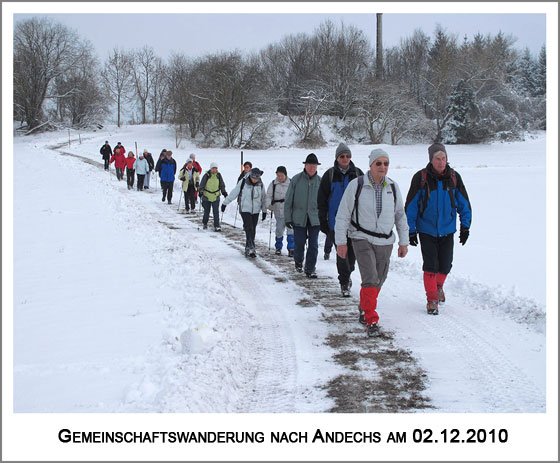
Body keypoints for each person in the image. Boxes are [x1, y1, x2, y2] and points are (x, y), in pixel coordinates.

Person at [334, 149, 409, 337]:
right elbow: (343, 215)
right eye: (379, 163)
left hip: (385, 240)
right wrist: (341, 242)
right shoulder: (357, 185)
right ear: (371, 165)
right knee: (370, 277)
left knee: (379, 280)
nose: (382, 167)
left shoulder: (393, 187)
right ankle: (371, 319)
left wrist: (404, 241)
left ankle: (364, 306)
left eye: (386, 163)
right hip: (361, 237)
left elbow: (400, 215)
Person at [405, 143, 472, 315]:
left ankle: (439, 286)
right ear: (431, 160)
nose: (441, 162)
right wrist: (410, 230)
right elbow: (411, 206)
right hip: (426, 229)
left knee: (445, 265)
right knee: (430, 266)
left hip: (447, 229)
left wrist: (465, 227)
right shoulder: (421, 178)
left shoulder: (454, 177)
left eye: (444, 158)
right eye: (437, 159)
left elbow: (464, 203)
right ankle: (432, 299)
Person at [318, 142, 364, 297]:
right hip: (335, 223)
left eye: (348, 156)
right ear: (337, 158)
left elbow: (365, 199)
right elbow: (322, 200)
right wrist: (323, 221)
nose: (345, 159)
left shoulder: (358, 174)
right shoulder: (329, 175)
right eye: (342, 156)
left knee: (352, 256)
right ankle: (344, 282)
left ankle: (348, 273)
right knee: (341, 254)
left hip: (355, 223)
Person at [284, 153, 322, 278]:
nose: (312, 167)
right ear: (305, 165)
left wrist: (324, 218)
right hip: (298, 218)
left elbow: (325, 202)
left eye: (314, 165)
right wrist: (288, 218)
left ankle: (310, 268)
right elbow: (288, 200)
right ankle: (298, 261)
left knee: (313, 245)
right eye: (310, 165)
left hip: (314, 219)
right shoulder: (296, 180)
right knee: (299, 243)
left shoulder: (320, 181)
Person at [222, 167, 267, 257]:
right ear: (250, 176)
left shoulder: (260, 184)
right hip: (245, 209)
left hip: (256, 210)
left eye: (257, 178)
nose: (255, 180)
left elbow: (263, 198)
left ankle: (248, 247)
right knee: (248, 227)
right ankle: (251, 248)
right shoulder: (243, 182)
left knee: (252, 229)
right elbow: (234, 193)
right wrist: (225, 203)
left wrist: (264, 210)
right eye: (253, 178)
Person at [265, 166, 294, 257]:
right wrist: (268, 205)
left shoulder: (292, 183)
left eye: (281, 175)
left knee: (291, 231)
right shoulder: (273, 184)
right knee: (279, 230)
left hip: (290, 211)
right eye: (278, 175)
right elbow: (268, 196)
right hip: (278, 210)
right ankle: (278, 248)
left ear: (285, 175)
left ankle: (291, 249)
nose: (280, 177)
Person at [198, 162, 228, 231]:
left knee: (216, 212)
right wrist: (201, 191)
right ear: (210, 169)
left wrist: (224, 192)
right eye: (213, 169)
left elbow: (221, 185)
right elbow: (202, 184)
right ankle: (205, 223)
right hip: (206, 196)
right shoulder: (206, 175)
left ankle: (217, 225)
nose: (214, 170)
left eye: (216, 169)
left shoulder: (219, 176)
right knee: (206, 211)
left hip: (215, 196)